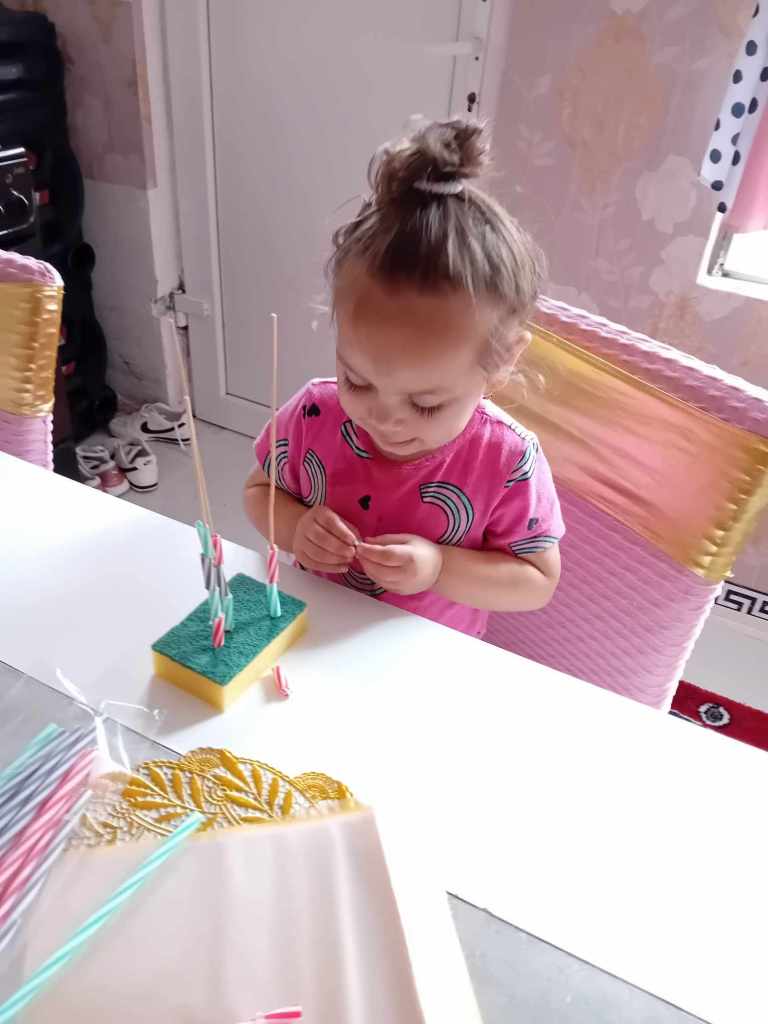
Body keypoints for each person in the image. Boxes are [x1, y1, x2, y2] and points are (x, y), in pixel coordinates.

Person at [244, 118, 564, 638]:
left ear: (502, 363)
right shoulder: (313, 412)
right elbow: (259, 491)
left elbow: (537, 581)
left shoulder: (507, 461)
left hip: (423, 657)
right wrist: (294, 526)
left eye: (426, 404)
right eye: (357, 380)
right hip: (309, 632)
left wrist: (439, 568)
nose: (384, 418)